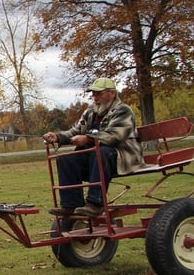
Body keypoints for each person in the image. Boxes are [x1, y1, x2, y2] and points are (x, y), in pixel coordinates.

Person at [42, 77, 144, 217]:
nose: (95, 98)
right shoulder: (91, 112)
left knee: (101, 152)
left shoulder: (123, 111)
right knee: (65, 159)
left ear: (112, 93)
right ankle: (71, 205)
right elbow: (76, 131)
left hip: (122, 157)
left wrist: (88, 138)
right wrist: (58, 137)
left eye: (99, 94)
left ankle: (95, 204)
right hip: (96, 158)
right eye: (93, 94)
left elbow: (114, 136)